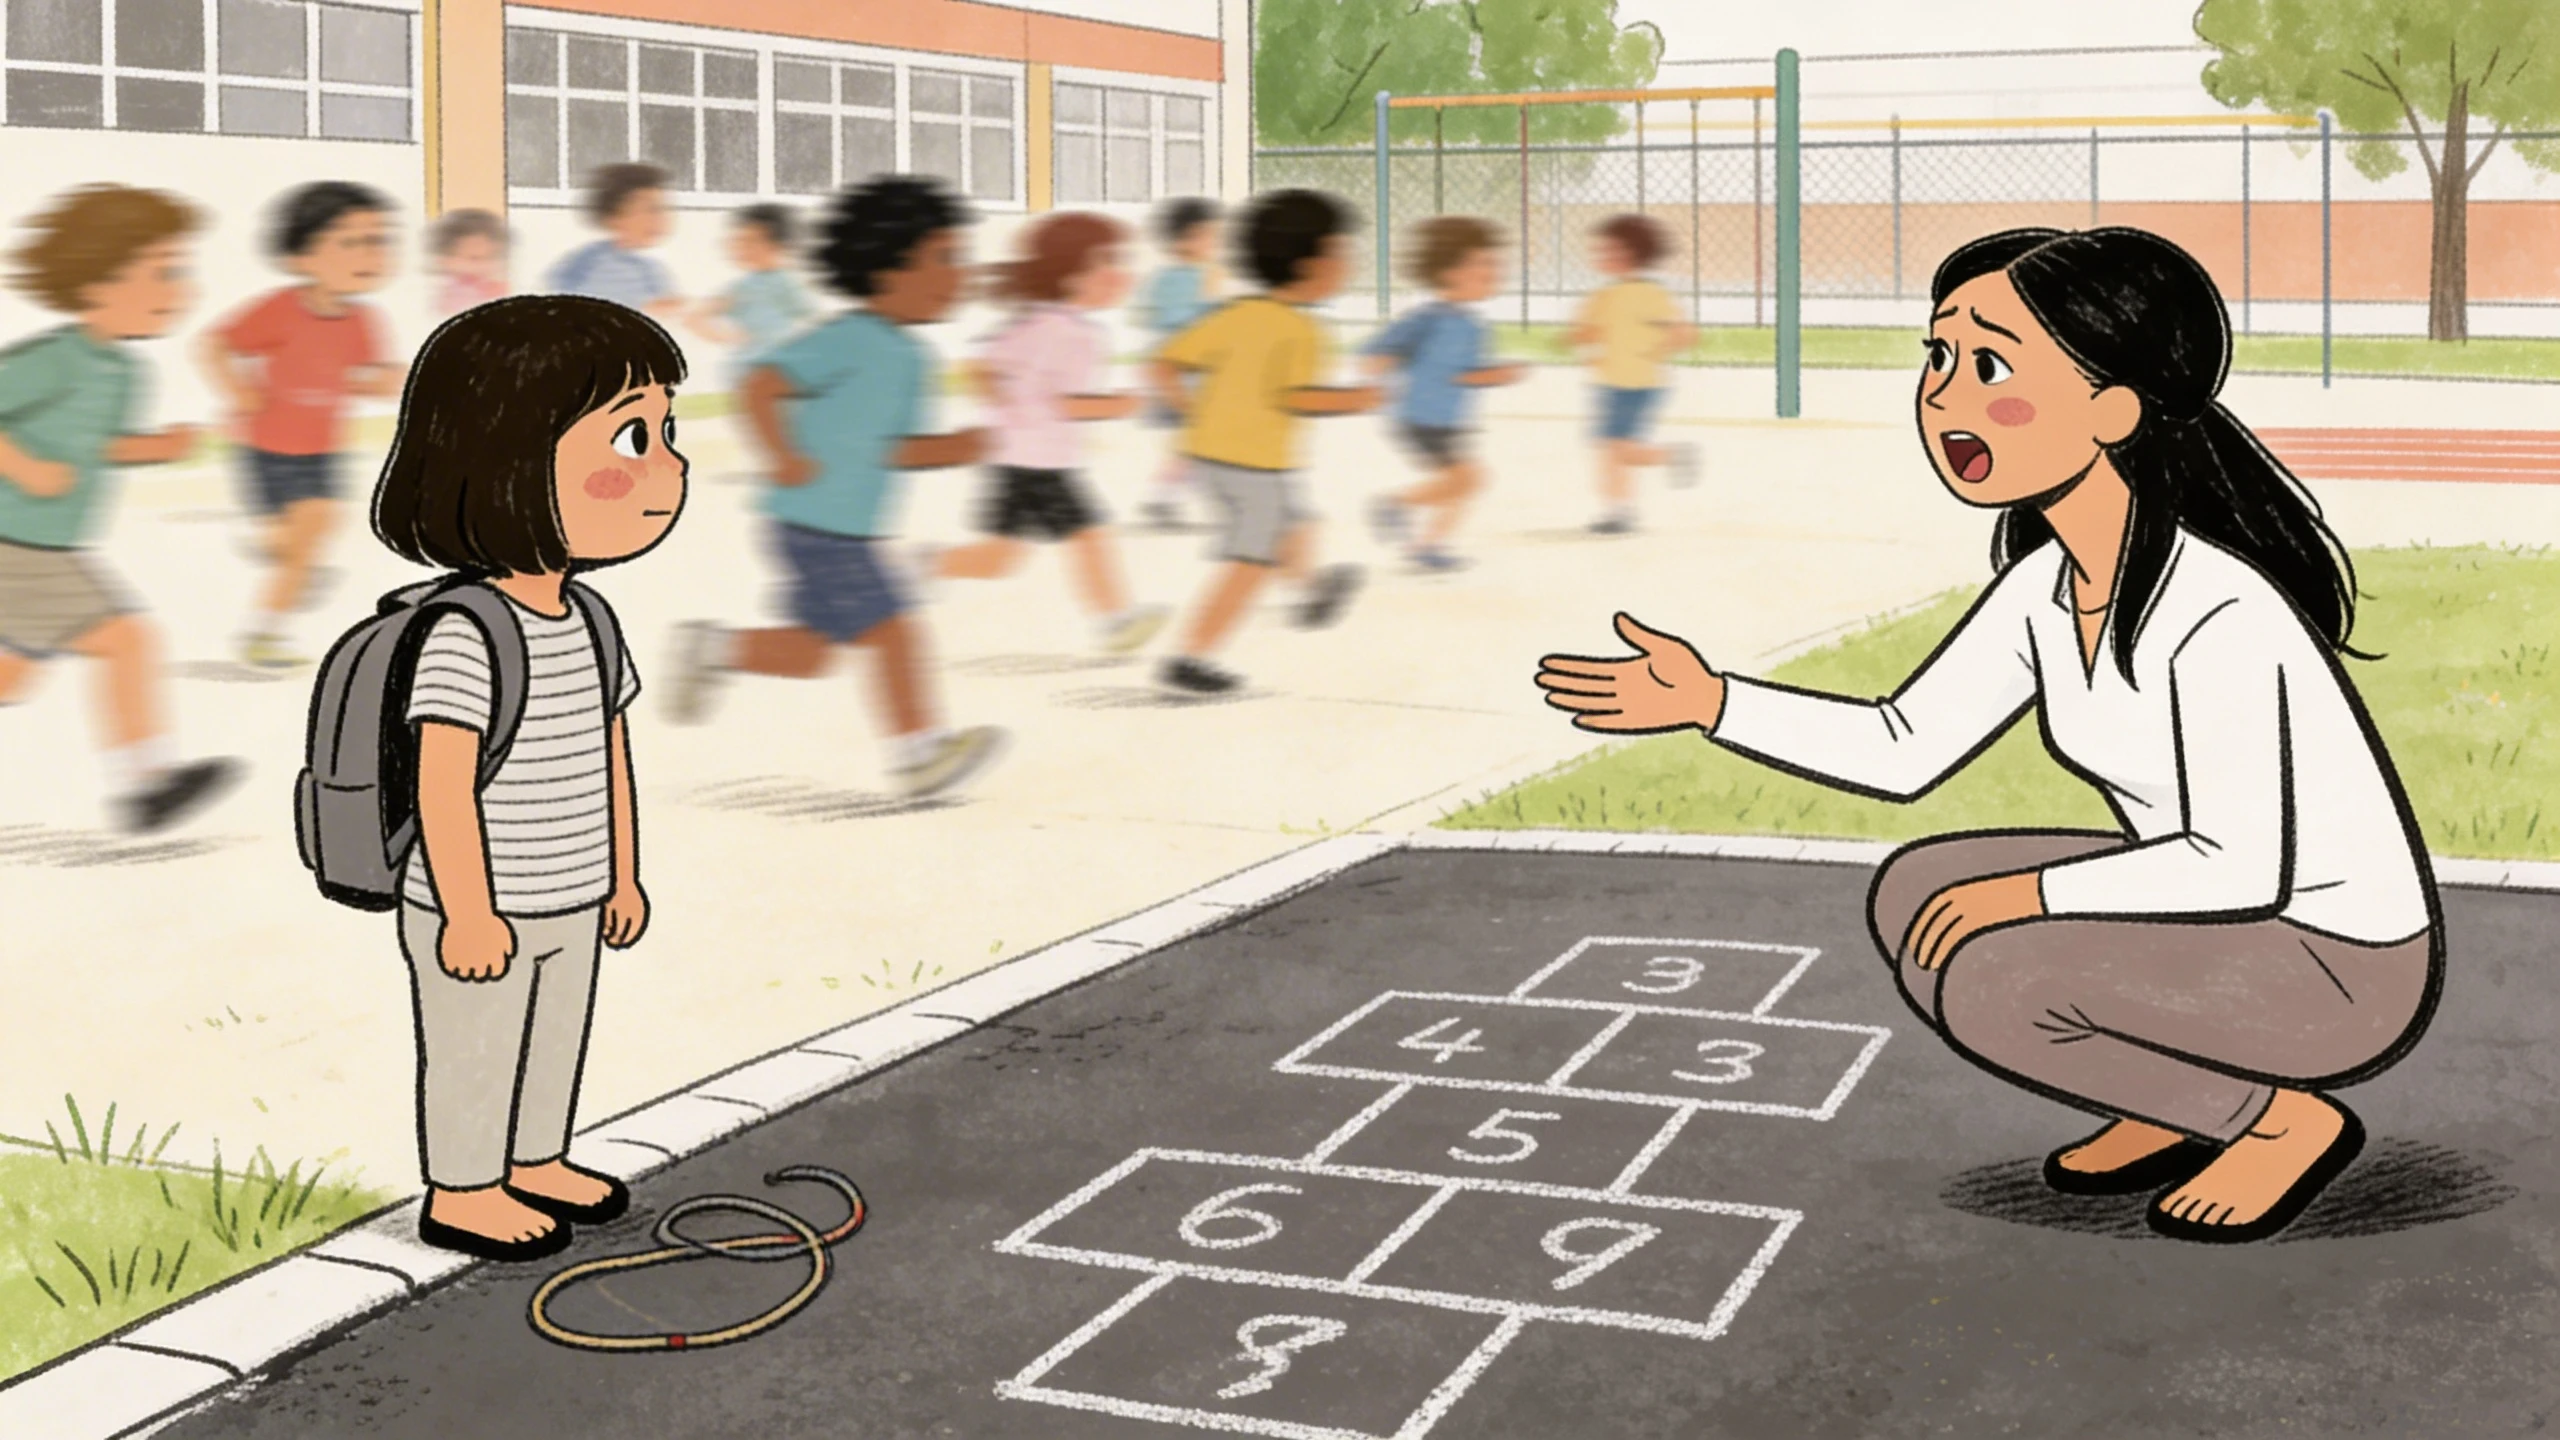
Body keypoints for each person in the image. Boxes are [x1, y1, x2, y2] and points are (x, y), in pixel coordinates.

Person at [1535, 226, 2441, 1245]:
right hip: (2220, 923)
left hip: (2341, 966)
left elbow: (2237, 866)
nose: (1943, 398)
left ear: (2112, 408)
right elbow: (1903, 745)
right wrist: (1712, 702)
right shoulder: (2046, 584)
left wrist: (2023, 895)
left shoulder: (2218, 609)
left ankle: (2278, 1123)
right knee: (1914, 893)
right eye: (1938, 357)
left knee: (1993, 983)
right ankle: (2171, 1096)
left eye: (1991, 366)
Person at [371, 294, 683, 1260]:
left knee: (553, 1037)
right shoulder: (467, 632)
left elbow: (610, 754)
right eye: (631, 439)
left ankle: (536, 1159)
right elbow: (443, 786)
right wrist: (468, 911)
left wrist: (622, 874)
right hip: (482, 902)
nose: (668, 467)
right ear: (506, 462)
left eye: (667, 434)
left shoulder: (590, 621)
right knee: (476, 1045)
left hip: (573, 888)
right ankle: (464, 1189)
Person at [664, 176, 1003, 800]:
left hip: (835, 528)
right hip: (820, 527)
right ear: (886, 267)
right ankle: (919, 753)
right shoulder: (848, 337)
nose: (961, 274)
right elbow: (760, 385)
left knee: (814, 653)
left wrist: (962, 446)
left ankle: (714, 648)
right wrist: (782, 456)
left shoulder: (912, 358)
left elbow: (894, 449)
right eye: (944, 257)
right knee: (895, 630)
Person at [0, 185, 238, 833]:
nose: (180, 289)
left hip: (46, 545)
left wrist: (155, 447)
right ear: (95, 283)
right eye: (162, 272)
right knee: (127, 640)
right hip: (16, 543)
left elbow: (95, 446)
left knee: (14, 675)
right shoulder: (52, 360)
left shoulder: (124, 373)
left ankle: (144, 784)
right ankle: (146, 785)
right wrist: (23, 467)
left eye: (180, 271)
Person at [1148, 189, 1376, 697]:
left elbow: (1162, 364)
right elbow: (1296, 397)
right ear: (1311, 264)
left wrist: (1192, 415)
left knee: (1298, 523)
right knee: (1252, 559)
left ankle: (1310, 591)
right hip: (1252, 464)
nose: (1350, 263)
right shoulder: (1300, 330)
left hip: (1217, 457)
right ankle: (1190, 658)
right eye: (1342, 252)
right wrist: (1355, 399)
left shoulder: (1237, 313)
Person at [933, 212, 1167, 654]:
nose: (1121, 273)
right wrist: (1121, 404)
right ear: (1070, 275)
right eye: (1107, 262)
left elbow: (979, 363)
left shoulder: (1037, 321)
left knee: (999, 558)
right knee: (1089, 536)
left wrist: (1004, 408)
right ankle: (1116, 621)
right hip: (1042, 465)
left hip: (1015, 459)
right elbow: (1066, 403)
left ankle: (922, 567)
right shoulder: (1074, 334)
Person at [201, 181, 401, 668]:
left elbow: (362, 379)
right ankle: (286, 561)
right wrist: (237, 389)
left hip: (320, 453)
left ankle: (264, 634)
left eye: (378, 240)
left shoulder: (363, 321)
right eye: (349, 242)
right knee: (294, 546)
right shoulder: (280, 310)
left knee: (313, 530)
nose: (369, 254)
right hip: (264, 449)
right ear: (301, 257)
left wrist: (390, 381)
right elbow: (214, 344)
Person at [1360, 217, 1524, 573]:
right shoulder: (1427, 318)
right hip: (1420, 419)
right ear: (1450, 272)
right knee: (1467, 479)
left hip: (1447, 421)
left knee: (1463, 483)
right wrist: (1377, 371)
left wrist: (1497, 374)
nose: (1494, 271)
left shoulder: (1474, 326)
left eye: (1495, 264)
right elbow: (1377, 350)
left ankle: (1428, 545)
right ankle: (1395, 506)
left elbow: (1465, 376)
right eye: (1483, 263)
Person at [1573, 213, 1697, 534]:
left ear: (1630, 254)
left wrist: (1657, 349)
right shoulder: (1605, 296)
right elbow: (1586, 332)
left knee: (1617, 449)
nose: (1600, 256)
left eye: (1607, 250)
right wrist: (1588, 343)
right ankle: (1620, 510)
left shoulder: (1650, 294)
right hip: (1612, 383)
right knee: (1613, 449)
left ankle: (1669, 458)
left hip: (1639, 384)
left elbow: (1684, 333)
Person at [1136, 197, 1220, 530]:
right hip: (1182, 372)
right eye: (1208, 235)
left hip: (1178, 368)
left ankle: (1164, 498)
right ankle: (1165, 498)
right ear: (1184, 239)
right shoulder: (1190, 277)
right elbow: (1182, 322)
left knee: (1196, 441)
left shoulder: (1173, 277)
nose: (1214, 243)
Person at [543, 163, 688, 326]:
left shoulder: (653, 270)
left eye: (663, 209)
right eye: (651, 210)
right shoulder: (587, 263)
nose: (661, 218)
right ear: (615, 216)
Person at [694, 202, 815, 389]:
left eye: (750, 241)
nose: (741, 248)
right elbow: (697, 317)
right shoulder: (741, 289)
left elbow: (812, 317)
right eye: (739, 241)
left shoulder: (787, 283)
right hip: (751, 370)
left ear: (777, 245)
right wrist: (726, 336)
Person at [427, 208, 508, 318]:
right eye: (474, 259)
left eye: (492, 258)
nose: (483, 267)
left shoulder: (499, 291)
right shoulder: (439, 294)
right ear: (445, 259)